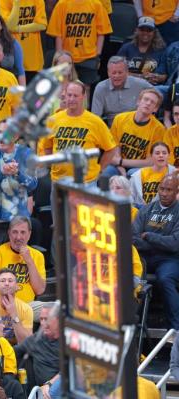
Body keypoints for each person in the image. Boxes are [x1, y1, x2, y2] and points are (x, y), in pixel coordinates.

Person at [41, 80, 117, 186]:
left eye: (75, 96)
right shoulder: (53, 120)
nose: (72, 99)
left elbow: (111, 149)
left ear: (83, 96)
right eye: (69, 95)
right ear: (65, 95)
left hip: (87, 183)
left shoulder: (95, 122)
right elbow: (47, 147)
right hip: (59, 182)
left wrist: (100, 169)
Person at [0, 120, 39, 246]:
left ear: (16, 136)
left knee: (16, 261)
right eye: (0, 132)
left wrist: (18, 174)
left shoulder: (27, 153)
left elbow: (33, 184)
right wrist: (2, 172)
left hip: (18, 221)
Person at [133, 175, 179, 329]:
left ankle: (175, 329)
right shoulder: (147, 209)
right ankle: (132, 324)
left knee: (166, 279)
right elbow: (133, 238)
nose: (164, 193)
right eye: (162, 189)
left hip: (169, 259)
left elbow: (174, 244)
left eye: (169, 190)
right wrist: (160, 241)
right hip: (144, 258)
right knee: (127, 277)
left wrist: (149, 236)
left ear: (176, 191)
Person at [46, 0, 112, 87]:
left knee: (86, 88)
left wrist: (97, 54)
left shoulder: (97, 4)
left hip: (89, 56)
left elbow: (101, 33)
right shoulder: (62, 4)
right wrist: (60, 56)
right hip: (67, 57)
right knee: (65, 87)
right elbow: (58, 35)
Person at [0, 217, 46, 305]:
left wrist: (29, 262)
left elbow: (40, 290)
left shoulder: (37, 256)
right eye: (15, 232)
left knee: (54, 309)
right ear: (9, 233)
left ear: (29, 234)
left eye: (23, 232)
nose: (18, 237)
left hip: (27, 307)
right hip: (2, 305)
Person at [107, 88, 166, 177]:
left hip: (139, 167)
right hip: (118, 164)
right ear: (138, 101)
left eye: (152, 102)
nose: (148, 103)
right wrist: (119, 165)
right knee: (106, 172)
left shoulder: (159, 129)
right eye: (146, 99)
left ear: (155, 109)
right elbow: (114, 146)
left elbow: (151, 161)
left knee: (132, 174)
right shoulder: (120, 119)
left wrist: (121, 162)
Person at [91, 56, 153, 126]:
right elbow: (95, 117)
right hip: (113, 129)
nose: (117, 76)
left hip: (137, 127)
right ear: (108, 73)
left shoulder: (140, 84)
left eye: (120, 72)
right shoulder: (101, 88)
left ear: (127, 72)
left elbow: (157, 96)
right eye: (113, 73)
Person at [0, 268, 33, 343]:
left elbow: (26, 342)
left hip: (15, 350)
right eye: (2, 281)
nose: (6, 283)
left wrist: (14, 315)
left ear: (17, 286)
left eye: (10, 281)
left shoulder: (26, 309)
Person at [0, 0, 47, 80]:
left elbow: (42, 25)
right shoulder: (3, 1)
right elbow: (9, 27)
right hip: (13, 60)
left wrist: (18, 28)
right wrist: (16, 3)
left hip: (33, 60)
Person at [14, 303, 60, 388]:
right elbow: (12, 352)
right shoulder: (36, 339)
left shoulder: (69, 341)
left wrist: (50, 384)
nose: (43, 323)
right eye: (41, 319)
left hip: (62, 389)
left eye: (46, 319)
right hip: (40, 391)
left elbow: (73, 369)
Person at [117, 16, 167, 86]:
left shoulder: (161, 50)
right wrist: (141, 77)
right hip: (128, 86)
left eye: (149, 30)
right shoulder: (127, 47)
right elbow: (117, 71)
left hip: (151, 88)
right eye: (142, 30)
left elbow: (164, 76)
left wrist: (156, 77)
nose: (145, 33)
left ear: (154, 32)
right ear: (137, 30)